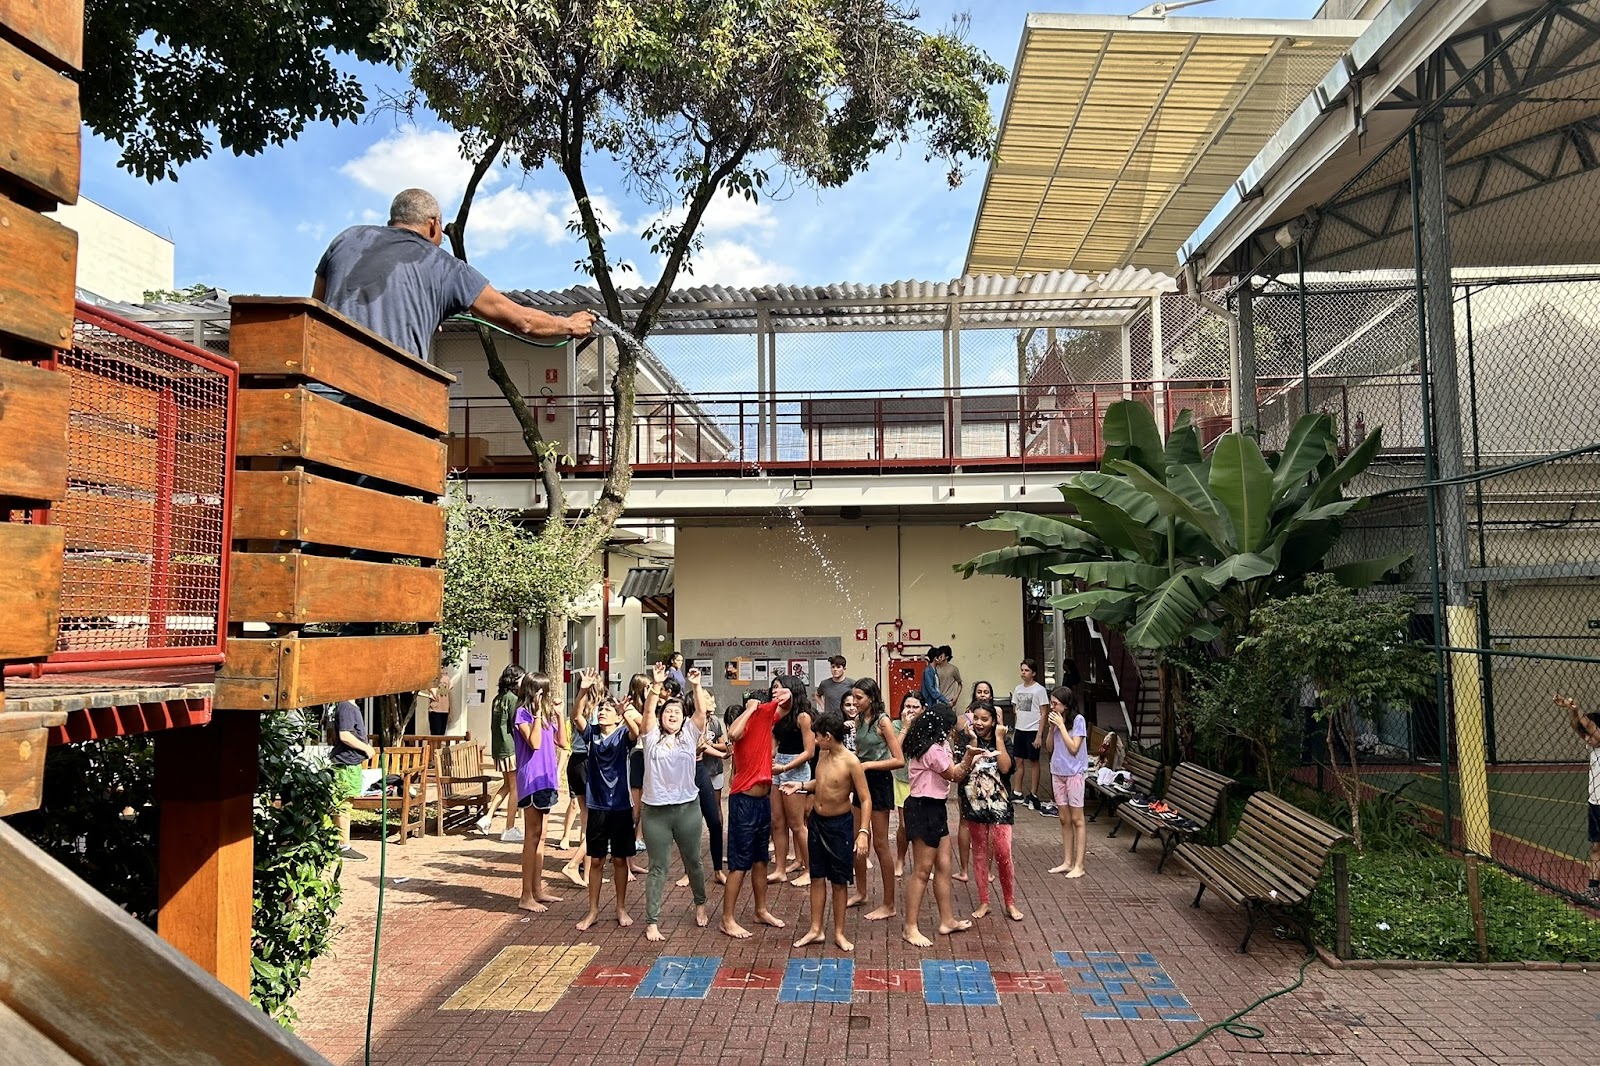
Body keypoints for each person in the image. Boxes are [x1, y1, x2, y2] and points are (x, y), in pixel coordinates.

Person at [313, 188, 596, 363]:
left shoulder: (347, 239)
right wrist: (570, 325)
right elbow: (522, 321)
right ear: (434, 224)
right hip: (390, 397)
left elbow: (319, 308)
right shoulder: (446, 266)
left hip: (324, 382)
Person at [785, 708, 872, 952]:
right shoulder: (823, 756)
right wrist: (801, 785)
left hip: (840, 826)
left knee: (839, 881)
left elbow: (865, 799)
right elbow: (822, 784)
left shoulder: (851, 762)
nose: (814, 740)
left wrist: (863, 832)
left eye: (817, 736)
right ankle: (816, 929)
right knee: (816, 876)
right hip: (817, 823)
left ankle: (840, 932)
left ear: (828, 737)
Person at [638, 663, 712, 942]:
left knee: (693, 860)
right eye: (668, 712)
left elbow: (701, 712)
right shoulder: (651, 737)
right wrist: (656, 686)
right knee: (659, 866)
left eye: (677, 712)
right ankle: (652, 921)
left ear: (683, 718)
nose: (672, 715)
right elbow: (647, 713)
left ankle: (700, 903)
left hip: (686, 809)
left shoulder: (689, 735)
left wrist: (696, 685)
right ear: (661, 717)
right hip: (655, 812)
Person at [900, 700, 977, 947]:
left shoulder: (938, 743)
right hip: (924, 808)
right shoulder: (930, 748)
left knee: (944, 864)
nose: (953, 731)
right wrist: (970, 757)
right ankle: (909, 927)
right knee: (922, 871)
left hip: (936, 807)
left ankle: (947, 919)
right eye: (950, 727)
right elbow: (954, 774)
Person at [721, 682, 792, 938]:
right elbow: (733, 734)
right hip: (743, 802)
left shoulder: (767, 721)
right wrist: (751, 709)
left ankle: (760, 910)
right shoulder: (749, 720)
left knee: (761, 859)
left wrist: (788, 695)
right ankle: (727, 918)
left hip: (762, 801)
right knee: (740, 863)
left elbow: (786, 707)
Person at [572, 671, 640, 931]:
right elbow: (576, 716)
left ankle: (621, 908)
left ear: (616, 716)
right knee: (597, 860)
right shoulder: (591, 735)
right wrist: (582, 690)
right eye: (601, 709)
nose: (602, 712)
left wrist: (625, 713)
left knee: (620, 860)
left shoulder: (622, 735)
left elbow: (637, 733)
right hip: (597, 805)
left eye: (607, 710)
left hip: (620, 805)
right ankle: (593, 910)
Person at [847, 678, 904, 921]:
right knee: (857, 837)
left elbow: (898, 759)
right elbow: (860, 751)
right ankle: (861, 892)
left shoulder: (884, 722)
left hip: (879, 782)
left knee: (880, 843)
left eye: (859, 698)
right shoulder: (858, 720)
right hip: (861, 781)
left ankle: (889, 903)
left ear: (871, 697)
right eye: (853, 698)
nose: (854, 703)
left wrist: (869, 765)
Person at [959, 703, 1022, 920]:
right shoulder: (965, 739)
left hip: (1000, 805)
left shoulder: (1003, 739)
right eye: (975, 718)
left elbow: (1005, 768)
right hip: (974, 804)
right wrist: (973, 744)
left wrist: (999, 739)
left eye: (984, 719)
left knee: (1003, 852)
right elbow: (960, 772)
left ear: (993, 721)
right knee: (979, 852)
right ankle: (984, 901)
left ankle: (1010, 902)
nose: (978, 723)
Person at [512, 671, 567, 912]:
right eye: (541, 691)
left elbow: (562, 742)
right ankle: (525, 895)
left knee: (542, 836)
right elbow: (534, 743)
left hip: (547, 779)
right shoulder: (523, 714)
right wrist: (535, 714)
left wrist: (558, 714)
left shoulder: (544, 715)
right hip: (531, 780)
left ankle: (537, 889)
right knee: (531, 836)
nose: (545, 695)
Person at [768, 675, 815, 888]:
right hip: (778, 766)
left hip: (795, 769)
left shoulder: (803, 716)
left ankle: (810, 870)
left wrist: (785, 767)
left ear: (791, 690)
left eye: (779, 688)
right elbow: (773, 741)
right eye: (773, 688)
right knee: (777, 821)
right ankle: (779, 869)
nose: (774, 691)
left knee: (797, 825)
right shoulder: (777, 713)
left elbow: (809, 751)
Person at [681, 699, 730, 888]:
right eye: (706, 699)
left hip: (700, 770)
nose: (712, 702)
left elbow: (704, 746)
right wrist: (696, 750)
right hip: (686, 771)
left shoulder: (708, 722)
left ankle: (718, 870)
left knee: (715, 821)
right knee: (689, 826)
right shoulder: (683, 723)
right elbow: (683, 753)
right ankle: (688, 872)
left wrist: (723, 755)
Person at [1556, 694, 1600, 901]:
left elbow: (1589, 727)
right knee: (1596, 845)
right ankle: (1593, 888)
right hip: (1595, 802)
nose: (1586, 738)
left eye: (1589, 734)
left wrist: (1578, 708)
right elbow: (1579, 727)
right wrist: (1571, 710)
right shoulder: (1593, 747)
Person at [1044, 686, 1088, 878]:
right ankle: (1067, 861)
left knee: (1077, 819)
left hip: (1074, 773)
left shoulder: (1078, 721)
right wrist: (1051, 728)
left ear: (1066, 705)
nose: (1052, 707)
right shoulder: (1056, 722)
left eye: (1055, 704)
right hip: (1058, 771)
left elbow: (1074, 748)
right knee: (1064, 819)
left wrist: (1061, 726)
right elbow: (1049, 748)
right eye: (1051, 703)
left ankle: (1079, 865)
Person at [954, 679, 997, 881]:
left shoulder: (997, 715)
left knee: (989, 823)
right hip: (969, 779)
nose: (982, 694)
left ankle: (986, 870)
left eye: (985, 691)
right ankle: (964, 869)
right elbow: (959, 746)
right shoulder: (964, 719)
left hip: (990, 780)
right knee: (965, 821)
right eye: (979, 691)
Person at [480, 664, 525, 841]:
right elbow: (517, 726)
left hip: (499, 748)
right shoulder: (513, 700)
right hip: (511, 748)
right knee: (515, 788)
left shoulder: (497, 698)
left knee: (507, 785)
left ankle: (487, 817)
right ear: (515, 680)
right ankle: (509, 827)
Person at [329, 699, 375, 862]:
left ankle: (339, 844)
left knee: (344, 804)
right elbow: (345, 735)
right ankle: (343, 847)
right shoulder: (346, 706)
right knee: (342, 805)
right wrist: (366, 748)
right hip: (345, 764)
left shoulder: (350, 706)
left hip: (351, 763)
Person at [557, 679, 591, 886]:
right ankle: (575, 866)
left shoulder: (581, 707)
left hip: (576, 762)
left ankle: (587, 874)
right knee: (595, 822)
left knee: (587, 821)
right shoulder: (592, 709)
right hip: (586, 762)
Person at [1012, 658, 1055, 815]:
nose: (1024, 673)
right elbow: (1016, 710)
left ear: (1034, 673)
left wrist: (1039, 735)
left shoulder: (1039, 690)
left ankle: (1033, 794)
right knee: (1018, 760)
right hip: (1020, 730)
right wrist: (1017, 729)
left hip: (1033, 730)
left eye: (1027, 670)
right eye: (1022, 670)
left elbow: (1044, 713)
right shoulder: (1018, 689)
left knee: (1034, 761)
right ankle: (1017, 792)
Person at [891, 693, 919, 876]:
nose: (910, 710)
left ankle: (920, 865)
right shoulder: (895, 725)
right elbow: (895, 751)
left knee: (920, 827)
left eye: (915, 707)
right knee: (904, 825)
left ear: (922, 709)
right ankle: (900, 860)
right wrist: (906, 728)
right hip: (902, 779)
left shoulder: (926, 726)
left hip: (922, 781)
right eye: (907, 706)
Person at [424, 667, 454, 736]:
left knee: (442, 734)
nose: (441, 669)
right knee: (435, 733)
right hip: (435, 709)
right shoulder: (432, 679)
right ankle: (434, 747)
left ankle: (439, 746)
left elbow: (449, 695)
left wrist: (451, 711)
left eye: (442, 667)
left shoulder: (447, 679)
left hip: (445, 710)